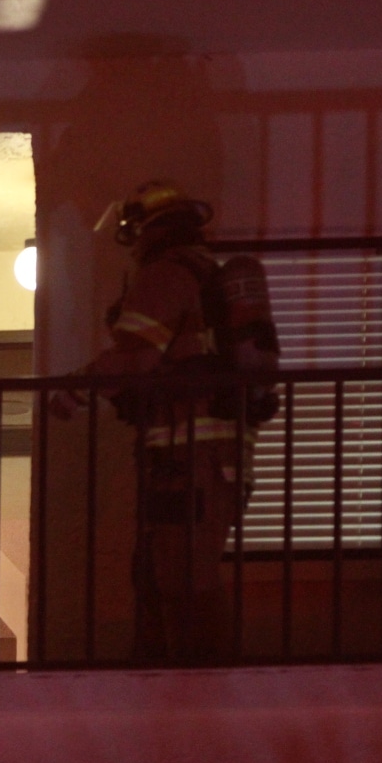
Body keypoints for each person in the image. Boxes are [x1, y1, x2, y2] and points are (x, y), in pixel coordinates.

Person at [50, 180, 251, 662]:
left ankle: (199, 681)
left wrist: (74, 389)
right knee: (165, 570)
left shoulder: (165, 276)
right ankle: (174, 674)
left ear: (146, 229)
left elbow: (135, 358)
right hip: (204, 460)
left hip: (189, 459)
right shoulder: (201, 273)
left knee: (185, 577)